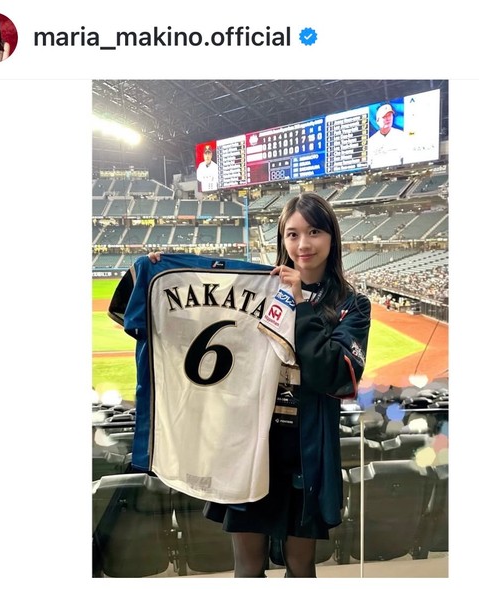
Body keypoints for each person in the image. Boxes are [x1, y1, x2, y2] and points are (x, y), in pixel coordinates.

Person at [149, 192, 371, 577]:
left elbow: (335, 375)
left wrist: (301, 304)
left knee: (300, 565)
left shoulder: (352, 304)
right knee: (248, 566)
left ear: (331, 237)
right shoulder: (258, 290)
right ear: (282, 239)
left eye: (314, 232)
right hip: (249, 447)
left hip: (307, 453)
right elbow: (194, 329)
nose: (303, 244)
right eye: (292, 234)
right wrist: (160, 276)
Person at [367, 102, 406, 168]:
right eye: (384, 117)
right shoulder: (371, 141)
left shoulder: (401, 135)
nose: (388, 119)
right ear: (377, 120)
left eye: (390, 115)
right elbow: (368, 164)